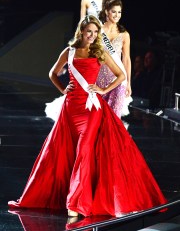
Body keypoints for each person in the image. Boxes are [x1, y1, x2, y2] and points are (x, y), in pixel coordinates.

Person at [8, 15, 167, 218]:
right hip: (71, 107)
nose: (92, 35)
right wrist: (63, 89)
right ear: (81, 32)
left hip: (91, 108)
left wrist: (102, 89)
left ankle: (76, 203)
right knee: (67, 151)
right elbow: (52, 73)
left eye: (95, 32)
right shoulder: (70, 52)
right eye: (89, 31)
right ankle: (71, 198)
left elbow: (120, 75)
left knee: (84, 150)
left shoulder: (99, 52)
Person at [96, 0, 132, 118]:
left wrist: (128, 83)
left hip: (118, 80)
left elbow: (126, 59)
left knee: (114, 118)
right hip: (98, 79)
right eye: (114, 12)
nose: (117, 15)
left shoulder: (124, 34)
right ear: (106, 11)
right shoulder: (97, 31)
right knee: (98, 118)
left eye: (119, 12)